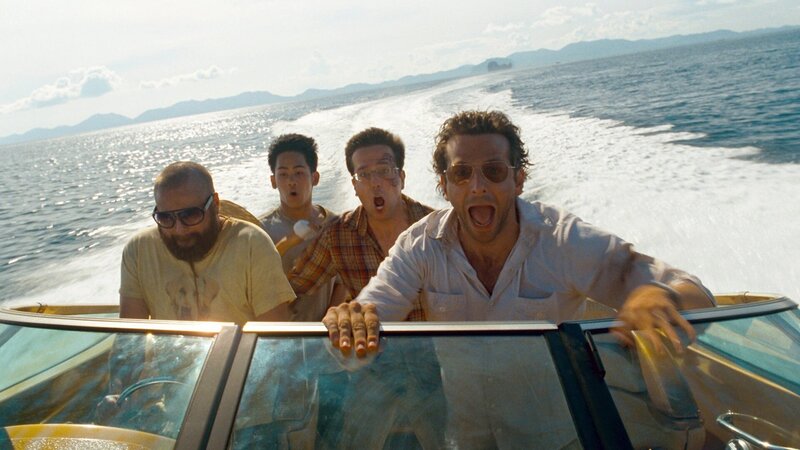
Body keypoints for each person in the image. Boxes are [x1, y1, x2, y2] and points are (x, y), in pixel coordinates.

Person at [324, 110, 716, 354]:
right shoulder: (421, 245)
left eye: (494, 171)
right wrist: (354, 316)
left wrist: (658, 294)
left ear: (519, 180)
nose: (478, 186)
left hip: (556, 429)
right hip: (466, 430)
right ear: (444, 186)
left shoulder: (562, 240)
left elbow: (698, 296)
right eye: (462, 173)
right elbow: (375, 306)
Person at [119, 161, 295, 323]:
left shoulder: (252, 245)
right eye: (165, 218)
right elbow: (131, 337)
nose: (179, 230)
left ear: (215, 204)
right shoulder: (139, 251)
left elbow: (274, 338)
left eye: (190, 215)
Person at [287, 127, 433, 319]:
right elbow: (293, 289)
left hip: (439, 338)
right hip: (373, 337)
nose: (375, 182)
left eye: (384, 170)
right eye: (363, 174)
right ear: (355, 186)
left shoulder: (437, 230)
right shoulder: (337, 236)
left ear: (402, 178)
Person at [259, 133, 346, 321]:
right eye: (283, 174)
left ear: (315, 177)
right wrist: (288, 243)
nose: (291, 181)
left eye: (299, 173)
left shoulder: (337, 226)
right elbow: (255, 287)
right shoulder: (261, 231)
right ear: (273, 181)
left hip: (325, 332)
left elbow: (342, 283)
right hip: (280, 334)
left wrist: (326, 326)